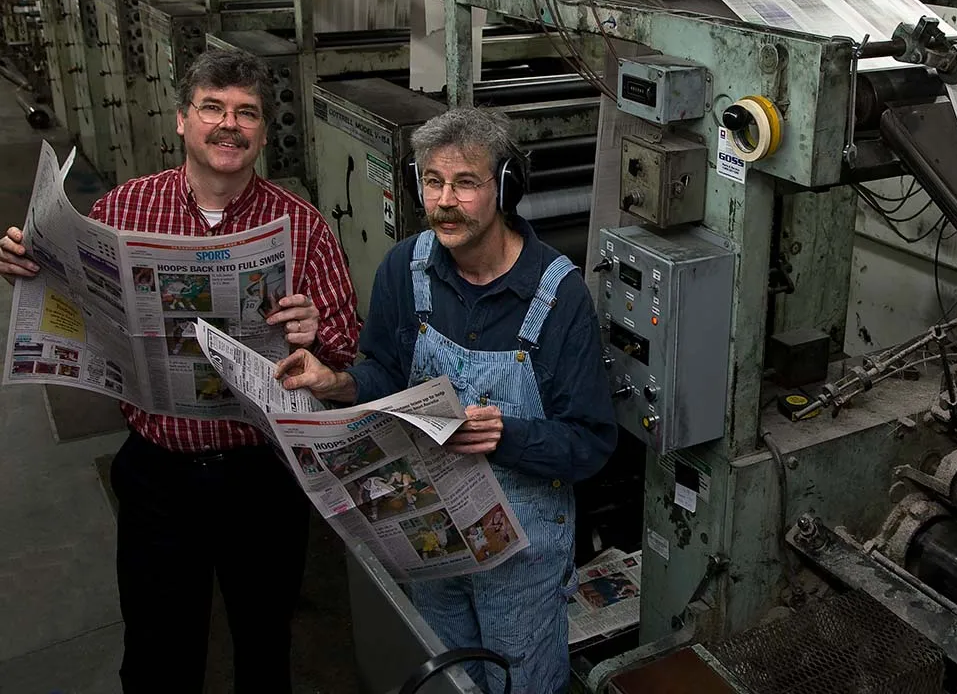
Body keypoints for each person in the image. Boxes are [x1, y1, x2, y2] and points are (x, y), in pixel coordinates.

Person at [0, 48, 360, 693]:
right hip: (157, 473)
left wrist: (317, 336)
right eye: (213, 108)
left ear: (262, 130)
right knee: (158, 651)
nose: (230, 125)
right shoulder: (124, 210)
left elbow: (347, 352)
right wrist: (28, 262)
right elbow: (69, 285)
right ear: (181, 119)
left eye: (246, 112)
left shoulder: (301, 227)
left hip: (261, 477)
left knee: (263, 645)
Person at [275, 107, 617, 694]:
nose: (444, 201)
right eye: (432, 181)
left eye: (465, 183)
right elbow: (384, 372)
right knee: (443, 682)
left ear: (506, 188)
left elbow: (590, 442)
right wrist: (338, 384)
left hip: (522, 560)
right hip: (431, 539)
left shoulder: (559, 297)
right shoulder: (404, 271)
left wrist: (505, 435)